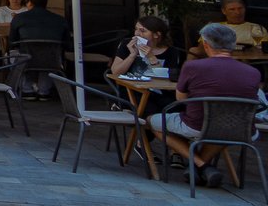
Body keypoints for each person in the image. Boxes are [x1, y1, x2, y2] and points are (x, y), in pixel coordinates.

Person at [150, 23, 264, 188]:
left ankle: (201, 165)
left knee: (153, 121)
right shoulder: (253, 72)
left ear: (205, 44)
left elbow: (181, 99)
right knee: (224, 126)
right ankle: (202, 167)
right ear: (233, 45)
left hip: (197, 126)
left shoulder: (193, 66)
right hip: (242, 129)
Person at [7, 0, 72, 98]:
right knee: (49, 57)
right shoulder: (60, 20)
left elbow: (12, 42)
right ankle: (43, 90)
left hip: (26, 59)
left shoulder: (19, 18)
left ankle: (27, 89)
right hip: (52, 61)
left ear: (29, 2)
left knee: (12, 55)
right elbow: (67, 44)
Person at [108, 15, 180, 79]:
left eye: (142, 31)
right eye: (136, 29)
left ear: (156, 35)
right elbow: (115, 72)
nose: (136, 33)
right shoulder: (128, 44)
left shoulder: (171, 51)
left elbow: (167, 79)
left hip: (155, 89)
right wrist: (132, 55)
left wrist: (151, 57)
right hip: (130, 88)